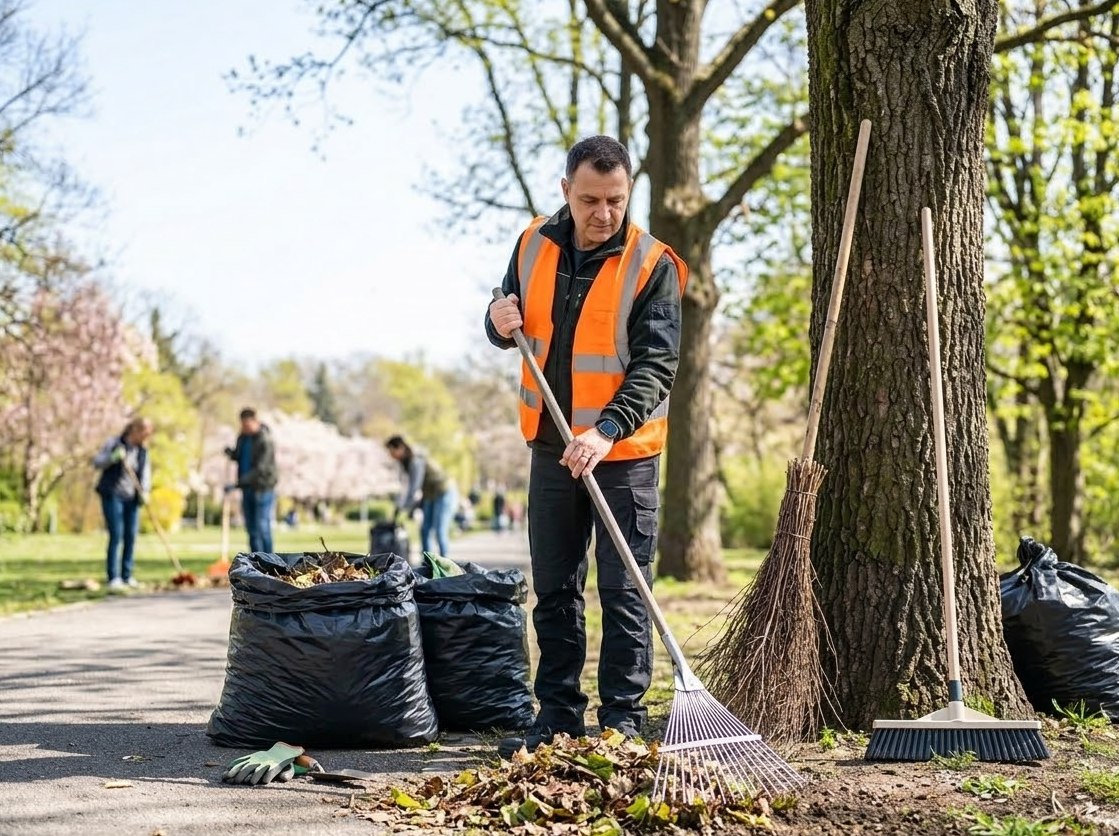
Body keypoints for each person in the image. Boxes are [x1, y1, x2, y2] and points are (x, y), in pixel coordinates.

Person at [485, 135, 687, 756]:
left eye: (617, 200)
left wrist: (605, 431)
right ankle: (558, 713)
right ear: (565, 191)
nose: (604, 213)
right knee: (555, 587)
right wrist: (496, 318)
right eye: (591, 200)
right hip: (551, 448)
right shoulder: (532, 244)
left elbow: (657, 366)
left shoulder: (653, 265)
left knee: (625, 590)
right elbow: (505, 315)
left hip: (621, 456)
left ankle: (622, 717)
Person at [92, 417, 154, 591]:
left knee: (131, 536)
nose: (146, 438)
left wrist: (145, 492)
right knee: (116, 534)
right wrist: (112, 458)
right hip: (113, 494)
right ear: (135, 430)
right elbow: (97, 462)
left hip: (132, 497)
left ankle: (127, 575)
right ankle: (113, 577)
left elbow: (146, 474)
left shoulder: (143, 451)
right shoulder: (115, 443)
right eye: (145, 434)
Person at [385, 435, 457, 556]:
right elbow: (404, 486)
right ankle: (428, 564)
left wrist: (404, 506)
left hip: (444, 492)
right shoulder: (404, 463)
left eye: (392, 451)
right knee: (425, 530)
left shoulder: (416, 460)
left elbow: (414, 487)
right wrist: (400, 505)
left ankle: (445, 565)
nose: (390, 455)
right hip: (430, 495)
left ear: (400, 448)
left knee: (439, 530)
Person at [223, 408, 278, 553]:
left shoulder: (264, 440)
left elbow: (261, 468)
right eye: (243, 425)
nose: (245, 428)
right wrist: (231, 453)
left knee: (262, 527)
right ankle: (256, 560)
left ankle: (270, 561)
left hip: (262, 488)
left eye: (247, 425)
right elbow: (240, 456)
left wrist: (237, 483)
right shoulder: (242, 438)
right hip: (247, 489)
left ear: (255, 421)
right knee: (251, 528)